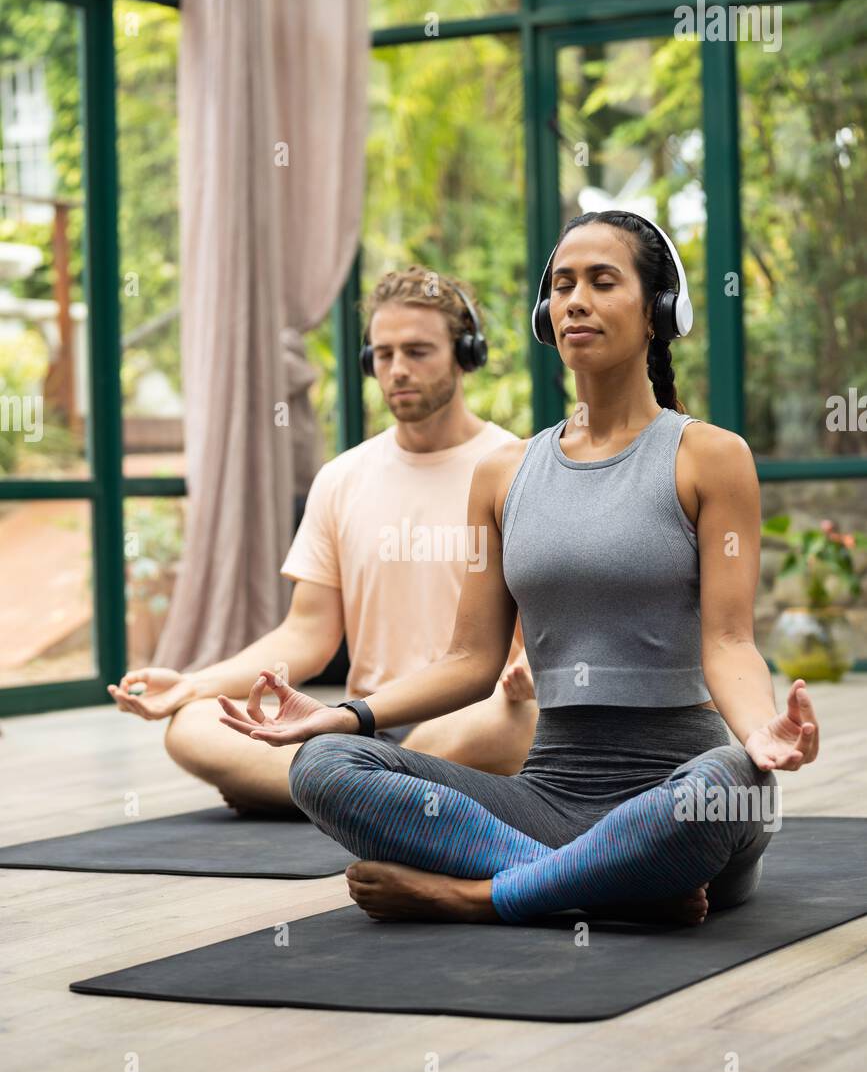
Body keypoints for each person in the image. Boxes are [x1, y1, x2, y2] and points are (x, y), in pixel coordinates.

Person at [218, 210, 820, 926]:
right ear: (544, 315)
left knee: (726, 783)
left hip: (677, 789)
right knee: (323, 764)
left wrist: (759, 733)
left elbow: (728, 642)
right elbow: (471, 661)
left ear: (658, 311)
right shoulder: (502, 474)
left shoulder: (710, 457)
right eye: (562, 285)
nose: (575, 301)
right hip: (544, 799)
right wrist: (343, 715)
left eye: (602, 281)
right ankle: (610, 883)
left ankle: (480, 894)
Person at [107, 267, 538, 813]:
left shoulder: (519, 468)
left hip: (471, 719)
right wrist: (193, 683)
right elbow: (308, 633)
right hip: (364, 725)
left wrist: (532, 680)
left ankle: (328, 791)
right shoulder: (342, 477)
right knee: (192, 724)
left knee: (522, 720)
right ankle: (369, 793)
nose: (398, 370)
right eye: (383, 355)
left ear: (465, 353)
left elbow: (558, 629)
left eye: (418, 351)